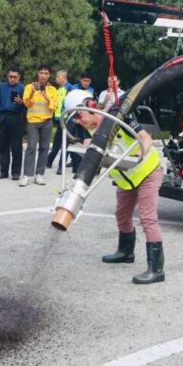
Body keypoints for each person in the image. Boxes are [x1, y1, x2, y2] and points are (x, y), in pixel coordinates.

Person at [64, 90, 165, 285]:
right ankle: (126, 251)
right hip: (127, 178)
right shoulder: (92, 129)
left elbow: (145, 139)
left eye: (79, 115)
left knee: (147, 218)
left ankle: (156, 268)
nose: (78, 120)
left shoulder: (119, 118)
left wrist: (138, 158)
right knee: (122, 214)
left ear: (91, 107)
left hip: (147, 172)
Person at [20, 64, 59, 187]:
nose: (43, 75)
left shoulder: (52, 90)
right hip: (33, 121)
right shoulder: (28, 87)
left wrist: (46, 97)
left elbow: (55, 106)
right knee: (31, 146)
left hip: (47, 121)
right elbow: (27, 104)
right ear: (37, 73)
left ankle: (39, 175)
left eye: (46, 73)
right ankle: (26, 175)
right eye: (41, 72)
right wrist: (32, 92)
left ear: (49, 75)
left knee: (44, 148)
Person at [0, 67, 25, 180]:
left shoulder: (22, 88)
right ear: (7, 77)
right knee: (3, 146)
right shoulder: (2, 87)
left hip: (16, 117)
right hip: (3, 117)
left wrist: (21, 102)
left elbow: (27, 105)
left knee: (16, 147)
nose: (12, 79)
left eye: (15, 77)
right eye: (10, 77)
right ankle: (3, 172)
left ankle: (16, 172)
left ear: (19, 77)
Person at [46, 70, 71, 175]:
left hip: (66, 120)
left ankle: (61, 167)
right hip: (60, 119)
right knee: (57, 142)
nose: (56, 79)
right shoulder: (60, 89)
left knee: (65, 143)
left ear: (63, 77)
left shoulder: (69, 88)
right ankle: (49, 161)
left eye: (57, 77)